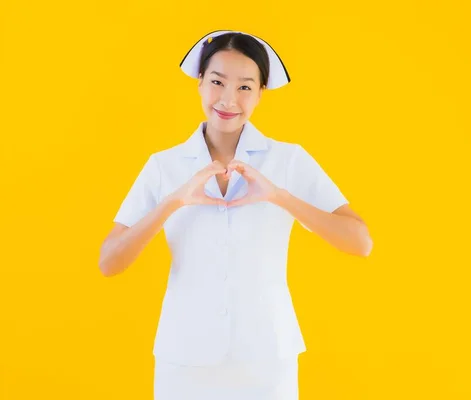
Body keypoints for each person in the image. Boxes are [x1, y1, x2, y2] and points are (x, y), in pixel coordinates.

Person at [99, 30, 373, 400]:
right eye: (217, 82)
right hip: (184, 360)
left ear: (261, 92)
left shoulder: (288, 159)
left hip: (267, 360)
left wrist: (279, 196)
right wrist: (173, 201)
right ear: (200, 83)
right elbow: (110, 261)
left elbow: (360, 242)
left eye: (245, 87)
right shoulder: (164, 166)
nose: (228, 99)